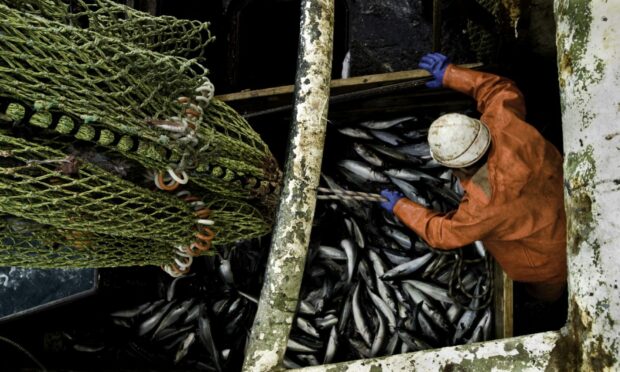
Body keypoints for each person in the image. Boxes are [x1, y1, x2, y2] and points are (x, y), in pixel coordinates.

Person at [380, 52, 567, 303]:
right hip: (573, 203)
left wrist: (401, 207)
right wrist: (451, 74)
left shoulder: (484, 206)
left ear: (459, 168)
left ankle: (547, 306)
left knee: (546, 291)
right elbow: (499, 89)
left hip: (548, 258)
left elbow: (443, 234)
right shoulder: (505, 124)